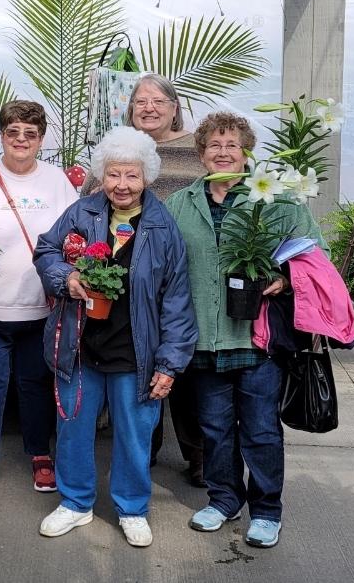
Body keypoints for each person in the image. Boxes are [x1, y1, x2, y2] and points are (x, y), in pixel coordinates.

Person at [165, 111, 326, 549]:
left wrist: (285, 281)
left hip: (258, 340)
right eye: (214, 145)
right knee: (215, 429)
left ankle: (267, 511)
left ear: (246, 152)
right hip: (203, 337)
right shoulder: (180, 204)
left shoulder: (277, 200)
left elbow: (315, 253)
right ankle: (224, 500)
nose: (223, 152)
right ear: (201, 154)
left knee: (260, 430)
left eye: (232, 145)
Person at [34, 127, 197, 547]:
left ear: (147, 178)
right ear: (102, 175)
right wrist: (66, 277)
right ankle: (75, 503)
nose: (121, 184)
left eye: (131, 175)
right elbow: (46, 251)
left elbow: (177, 301)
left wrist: (169, 364)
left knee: (134, 435)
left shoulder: (163, 226)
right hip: (79, 347)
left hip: (136, 353)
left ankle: (132, 508)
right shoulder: (82, 212)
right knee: (73, 429)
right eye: (113, 174)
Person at [0, 100, 78, 498]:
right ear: (2, 135)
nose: (21, 140)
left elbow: (76, 238)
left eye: (30, 134)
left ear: (41, 139)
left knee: (36, 384)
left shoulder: (57, 183)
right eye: (13, 132)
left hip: (41, 308)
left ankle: (40, 455)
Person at [127, 73, 207, 485]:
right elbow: (91, 197)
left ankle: (199, 455)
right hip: (132, 283)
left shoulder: (198, 151)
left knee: (187, 370)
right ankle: (144, 450)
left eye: (158, 101)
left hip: (188, 277)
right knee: (140, 366)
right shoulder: (121, 147)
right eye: (141, 101)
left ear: (175, 108)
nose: (149, 108)